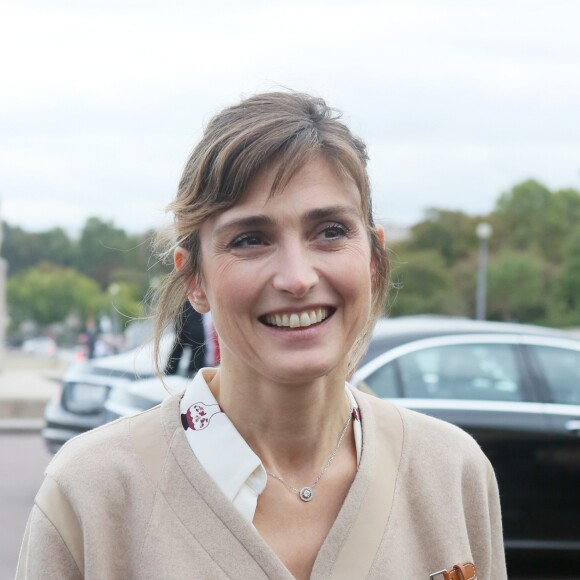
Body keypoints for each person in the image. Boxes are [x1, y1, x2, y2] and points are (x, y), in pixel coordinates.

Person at [16, 92, 507, 579]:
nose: (296, 278)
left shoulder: (453, 472)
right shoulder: (92, 493)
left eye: (331, 230)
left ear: (374, 261)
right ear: (195, 280)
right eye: (250, 239)